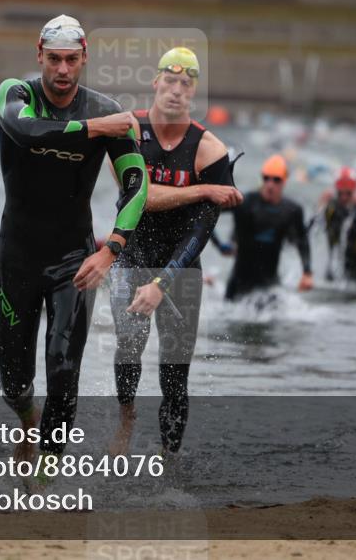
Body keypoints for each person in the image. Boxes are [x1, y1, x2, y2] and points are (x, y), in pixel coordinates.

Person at [0, 14, 148, 467]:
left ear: (84, 59)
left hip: (74, 261)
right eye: (55, 59)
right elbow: (24, 131)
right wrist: (97, 130)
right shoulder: (15, 94)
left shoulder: (105, 107)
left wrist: (112, 248)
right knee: (14, 384)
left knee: (63, 371)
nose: (62, 70)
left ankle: (45, 478)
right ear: (39, 55)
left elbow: (137, 185)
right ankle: (27, 421)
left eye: (72, 60)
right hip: (18, 259)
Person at [108, 47, 240, 457]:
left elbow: (202, 230)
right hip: (131, 258)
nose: (176, 90)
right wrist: (200, 189)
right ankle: (126, 420)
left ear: (194, 92)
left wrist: (164, 281)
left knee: (175, 374)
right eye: (170, 80)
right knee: (128, 347)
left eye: (186, 84)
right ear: (155, 83)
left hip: (182, 265)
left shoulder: (210, 149)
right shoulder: (128, 132)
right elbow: (138, 197)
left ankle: (169, 460)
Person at [218, 154, 313, 301]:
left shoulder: (292, 210)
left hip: (270, 285)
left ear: (285, 181)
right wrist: (220, 246)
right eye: (266, 178)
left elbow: (302, 241)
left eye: (276, 180)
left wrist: (307, 273)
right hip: (239, 284)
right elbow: (206, 215)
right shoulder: (244, 202)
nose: (270, 184)